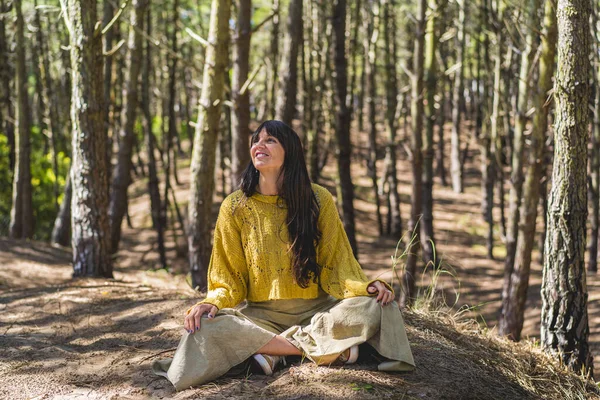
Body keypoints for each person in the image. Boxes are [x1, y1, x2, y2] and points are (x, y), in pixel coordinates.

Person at [153, 120, 415, 390]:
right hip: (260, 318)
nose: (259, 145)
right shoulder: (235, 206)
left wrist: (365, 286)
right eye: (256, 140)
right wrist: (213, 302)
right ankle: (317, 348)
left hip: (317, 312)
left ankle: (273, 352)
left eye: (270, 140)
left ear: (289, 151)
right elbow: (228, 278)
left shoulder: (318, 199)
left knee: (377, 304)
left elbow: (336, 264)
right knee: (204, 327)